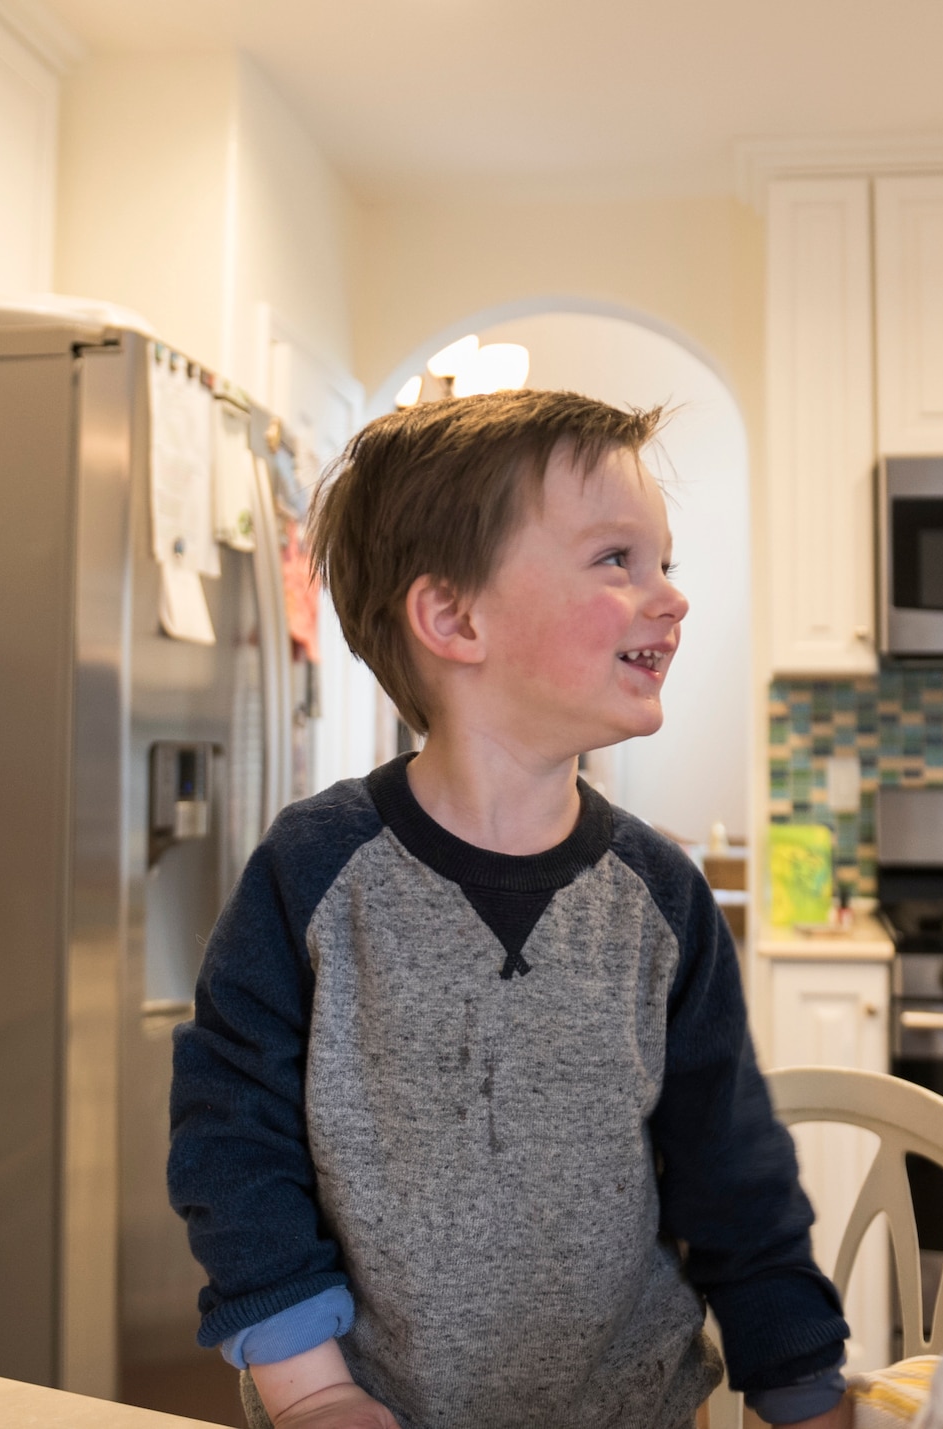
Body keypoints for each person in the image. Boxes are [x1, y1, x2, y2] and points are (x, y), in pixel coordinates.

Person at [168, 391, 851, 1429]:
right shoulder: (312, 873)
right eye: (615, 560)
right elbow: (232, 1139)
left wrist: (800, 1389)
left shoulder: (660, 898)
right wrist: (311, 1392)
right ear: (454, 618)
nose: (667, 597)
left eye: (664, 562)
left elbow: (732, 1173)